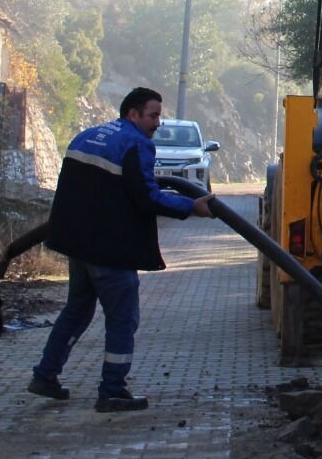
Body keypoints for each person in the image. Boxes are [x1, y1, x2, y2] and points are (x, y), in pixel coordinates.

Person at [29, 87, 212, 413]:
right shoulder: (136, 144)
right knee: (122, 318)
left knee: (76, 312)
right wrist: (190, 206)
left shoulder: (87, 136)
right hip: (109, 250)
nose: (158, 122)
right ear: (133, 114)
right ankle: (112, 390)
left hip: (78, 245)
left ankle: (45, 375)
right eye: (153, 115)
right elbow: (147, 197)